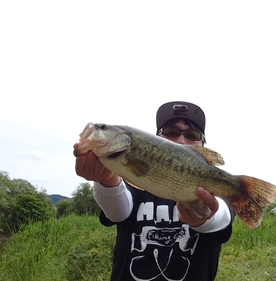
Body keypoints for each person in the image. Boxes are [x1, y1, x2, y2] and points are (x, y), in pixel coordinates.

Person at [74, 101, 234, 281]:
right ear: (156, 139)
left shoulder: (217, 193)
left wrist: (207, 217)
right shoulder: (134, 183)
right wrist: (106, 180)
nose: (181, 140)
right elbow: (118, 211)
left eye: (192, 134)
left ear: (202, 145)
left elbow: (222, 217)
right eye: (171, 132)